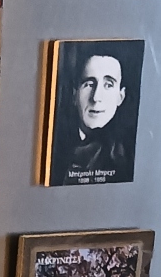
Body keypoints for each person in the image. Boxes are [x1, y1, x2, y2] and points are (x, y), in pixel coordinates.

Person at [49, 43, 139, 185]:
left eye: (108, 85)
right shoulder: (54, 147)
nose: (96, 97)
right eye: (89, 84)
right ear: (74, 95)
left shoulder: (126, 156)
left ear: (120, 97)